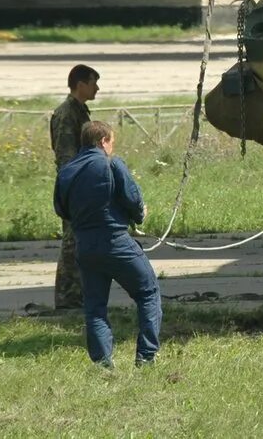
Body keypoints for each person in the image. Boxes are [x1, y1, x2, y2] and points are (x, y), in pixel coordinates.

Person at [54, 120, 161, 368]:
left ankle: (102, 364)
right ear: (103, 141)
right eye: (111, 142)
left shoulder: (66, 172)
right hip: (116, 242)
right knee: (148, 293)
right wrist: (140, 215)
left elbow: (62, 209)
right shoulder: (111, 164)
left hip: (85, 246)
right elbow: (132, 198)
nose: (112, 147)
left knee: (95, 307)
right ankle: (146, 357)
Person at [49, 64, 100, 309]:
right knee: (72, 245)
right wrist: (74, 190)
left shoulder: (79, 111)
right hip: (73, 189)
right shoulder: (67, 114)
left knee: (80, 242)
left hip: (81, 186)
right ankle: (67, 297)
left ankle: (78, 295)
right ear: (80, 84)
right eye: (93, 83)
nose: (97, 88)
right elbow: (65, 157)